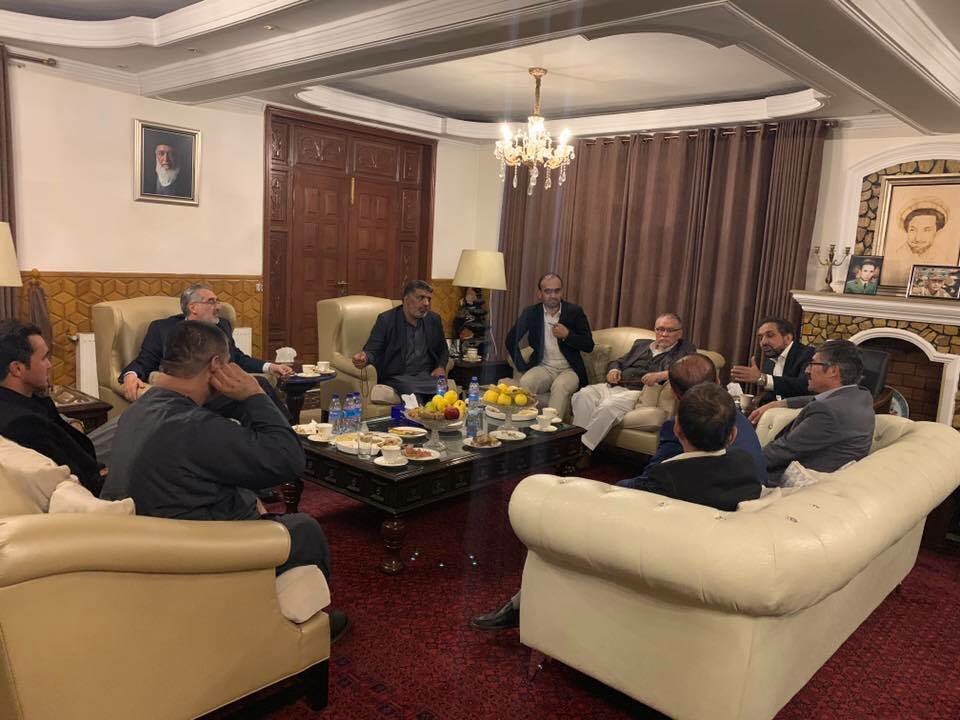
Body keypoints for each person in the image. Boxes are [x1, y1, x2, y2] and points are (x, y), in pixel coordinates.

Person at [100, 321, 347, 635]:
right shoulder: (194, 426)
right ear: (216, 365)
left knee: (250, 496)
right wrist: (254, 394)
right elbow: (290, 460)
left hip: (149, 540)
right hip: (197, 553)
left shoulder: (140, 410)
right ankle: (303, 631)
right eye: (228, 363)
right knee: (304, 529)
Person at [470, 381, 761, 632]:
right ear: (732, 435)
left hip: (651, 559)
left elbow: (619, 495)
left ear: (677, 429)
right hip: (709, 565)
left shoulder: (665, 479)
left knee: (565, 528)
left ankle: (521, 606)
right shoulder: (746, 467)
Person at [120, 282, 292, 404]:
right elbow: (145, 360)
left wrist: (270, 366)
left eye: (217, 301)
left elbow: (237, 357)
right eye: (211, 302)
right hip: (189, 391)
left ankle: (289, 430)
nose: (218, 307)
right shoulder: (163, 328)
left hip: (221, 386)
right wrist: (130, 376)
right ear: (193, 307)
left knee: (259, 384)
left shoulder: (222, 326)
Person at [618, 353, 768, 488]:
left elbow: (650, 482)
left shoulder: (680, 426)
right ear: (718, 381)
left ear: (675, 393)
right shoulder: (739, 418)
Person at [750, 339, 875, 486]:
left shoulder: (827, 412)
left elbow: (783, 450)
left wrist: (741, 463)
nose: (807, 370)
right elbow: (818, 399)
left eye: (812, 364)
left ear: (833, 370)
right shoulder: (860, 396)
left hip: (789, 485)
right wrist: (780, 403)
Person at [0, 320, 104, 494]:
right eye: (44, 358)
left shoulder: (26, 400)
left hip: (87, 456)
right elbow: (79, 477)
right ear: (17, 369)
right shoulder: (24, 424)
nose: (49, 365)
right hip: (95, 484)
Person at [570, 312, 694, 453]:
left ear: (679, 333)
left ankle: (582, 451)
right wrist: (614, 370)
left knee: (608, 406)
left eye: (670, 330)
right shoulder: (641, 344)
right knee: (582, 395)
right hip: (614, 386)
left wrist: (661, 375)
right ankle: (575, 442)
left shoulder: (685, 349)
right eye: (660, 329)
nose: (664, 334)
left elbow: (687, 370)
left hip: (637, 392)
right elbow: (618, 361)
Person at [505, 273, 594, 419]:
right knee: (525, 382)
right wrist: (522, 367)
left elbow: (589, 345)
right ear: (540, 294)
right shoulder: (531, 313)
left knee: (560, 387)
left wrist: (567, 335)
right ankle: (522, 426)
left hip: (569, 370)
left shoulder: (574, 312)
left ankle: (551, 430)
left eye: (557, 291)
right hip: (544, 367)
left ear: (562, 291)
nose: (553, 295)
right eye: (548, 291)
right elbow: (511, 339)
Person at [352, 279, 449, 398]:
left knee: (443, 390)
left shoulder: (433, 319)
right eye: (421, 298)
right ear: (406, 300)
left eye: (428, 299)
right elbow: (373, 350)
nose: (426, 303)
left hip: (426, 376)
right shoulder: (387, 320)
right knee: (412, 391)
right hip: (397, 376)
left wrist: (440, 367)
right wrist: (365, 357)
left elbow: (443, 349)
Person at [730, 318, 815, 407]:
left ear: (788, 338)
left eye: (770, 335)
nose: (763, 342)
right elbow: (772, 394)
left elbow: (805, 386)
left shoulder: (808, 354)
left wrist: (763, 379)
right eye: (760, 338)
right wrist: (755, 402)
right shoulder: (770, 361)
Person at [883, 200, 955, 288]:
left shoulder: (943, 259)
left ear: (936, 232)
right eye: (913, 230)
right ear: (907, 230)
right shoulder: (893, 260)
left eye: (927, 230)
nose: (918, 238)